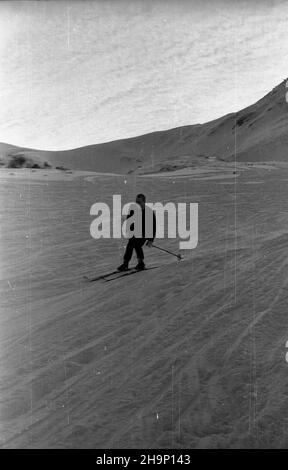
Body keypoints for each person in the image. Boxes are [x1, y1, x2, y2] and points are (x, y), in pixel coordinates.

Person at [117, 193, 156, 271]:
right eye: (136, 202)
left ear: (144, 202)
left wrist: (150, 240)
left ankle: (140, 263)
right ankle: (126, 263)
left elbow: (153, 227)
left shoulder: (149, 212)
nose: (137, 204)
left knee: (136, 244)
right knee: (130, 245)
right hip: (134, 233)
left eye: (139, 202)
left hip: (144, 234)